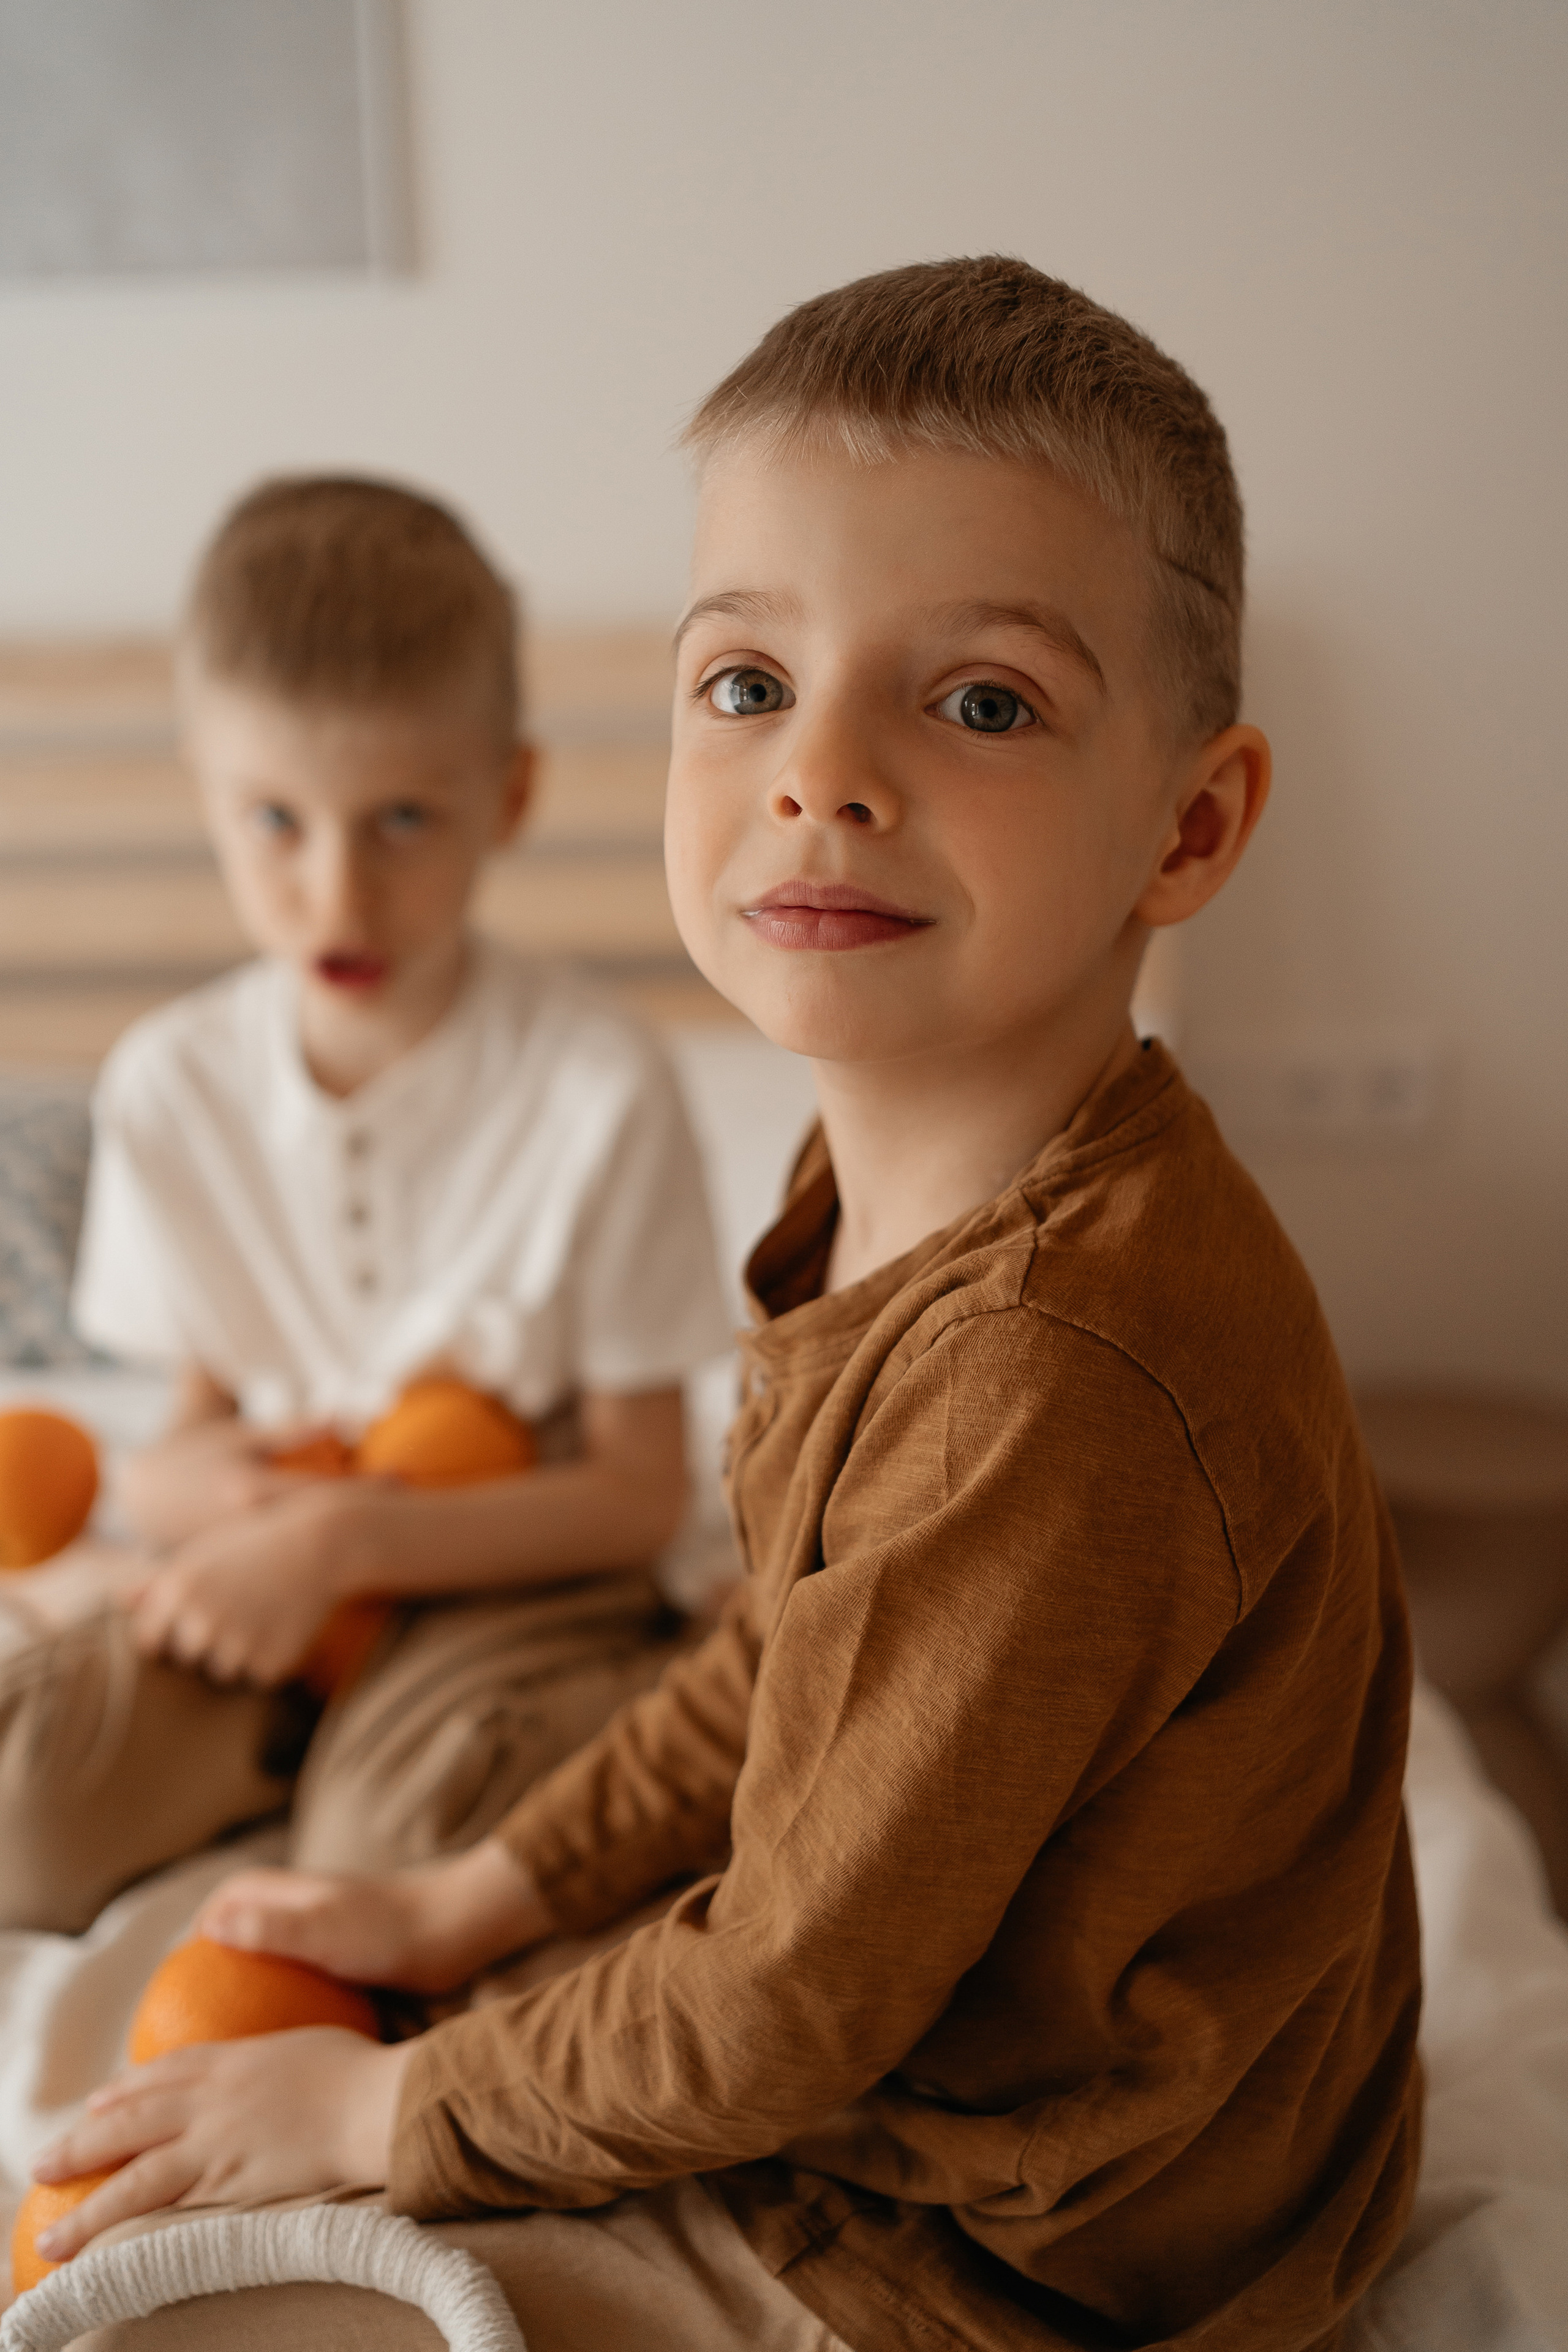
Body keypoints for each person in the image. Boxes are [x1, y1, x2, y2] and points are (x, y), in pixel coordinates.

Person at [34, 265, 1422, 2352]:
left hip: (1049, 2240)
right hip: (974, 2077)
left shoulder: (1060, 1368)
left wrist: (375, 2100)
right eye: (748, 682)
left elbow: (783, 2001)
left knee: (176, 2313)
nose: (820, 775)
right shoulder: (888, 1176)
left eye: (977, 704)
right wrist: (476, 1900)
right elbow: (774, 1648)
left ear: (1190, 822)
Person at [0, 475, 730, 1934]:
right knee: (22, 1816)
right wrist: (202, 1498)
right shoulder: (171, 1085)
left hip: (511, 1561)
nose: (336, 891)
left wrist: (341, 1542)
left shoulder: (599, 1084)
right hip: (271, 1566)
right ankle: (307, 1742)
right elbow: (184, 1431)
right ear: (207, 794)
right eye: (274, 819)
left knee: (401, 1845)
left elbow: (637, 1491)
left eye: (402, 817)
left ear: (507, 796)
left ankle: (605, 1711)